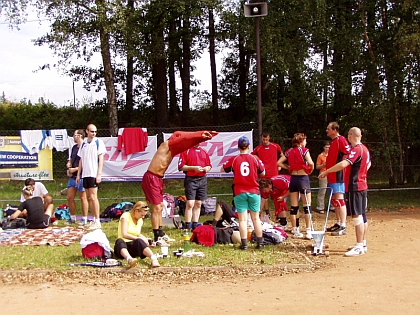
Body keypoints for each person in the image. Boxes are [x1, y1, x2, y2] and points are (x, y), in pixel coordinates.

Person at [142, 130, 218, 241]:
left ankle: (161, 232)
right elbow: (182, 136)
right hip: (151, 177)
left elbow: (187, 143)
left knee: (160, 207)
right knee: (157, 207)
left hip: (158, 179)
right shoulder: (165, 145)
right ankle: (156, 235)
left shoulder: (173, 151)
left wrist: (202, 137)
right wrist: (199, 134)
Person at [319, 127, 371, 256]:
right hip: (363, 184)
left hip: (355, 186)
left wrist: (327, 170)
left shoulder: (357, 149)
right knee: (362, 215)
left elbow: (343, 164)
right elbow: (368, 164)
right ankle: (362, 243)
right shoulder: (365, 149)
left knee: (357, 216)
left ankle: (359, 246)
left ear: (350, 136)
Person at [220, 135, 266, 250]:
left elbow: (223, 169)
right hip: (254, 191)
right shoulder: (255, 158)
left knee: (242, 219)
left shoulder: (235, 159)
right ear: (249, 146)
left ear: (238, 147)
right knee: (256, 218)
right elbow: (263, 172)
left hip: (239, 191)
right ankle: (260, 243)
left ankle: (244, 244)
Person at [277, 133, 314, 239]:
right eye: (305, 141)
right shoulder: (304, 150)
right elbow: (310, 163)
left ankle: (295, 229)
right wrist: (310, 170)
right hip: (303, 178)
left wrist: (289, 167)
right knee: (307, 206)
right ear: (301, 142)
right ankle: (308, 230)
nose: (306, 143)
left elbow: (278, 163)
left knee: (294, 207)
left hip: (293, 178)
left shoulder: (289, 151)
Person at [76, 124, 106, 230]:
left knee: (93, 197)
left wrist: (99, 174)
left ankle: (97, 220)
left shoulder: (98, 142)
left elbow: (101, 158)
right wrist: (78, 175)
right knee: (88, 197)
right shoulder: (84, 143)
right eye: (92, 131)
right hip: (85, 174)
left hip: (94, 174)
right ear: (87, 131)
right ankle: (93, 219)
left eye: (95, 132)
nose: (94, 134)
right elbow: (81, 160)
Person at [114, 201, 160, 268]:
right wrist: (139, 238)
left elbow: (137, 234)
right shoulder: (126, 216)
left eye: (144, 215)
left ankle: (153, 259)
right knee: (120, 241)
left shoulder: (140, 220)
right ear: (136, 211)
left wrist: (146, 240)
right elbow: (124, 234)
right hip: (122, 247)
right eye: (142, 215)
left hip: (133, 247)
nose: (143, 217)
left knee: (139, 241)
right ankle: (129, 259)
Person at [325, 122, 351, 236]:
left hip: (338, 175)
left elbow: (348, 153)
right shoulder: (334, 141)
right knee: (334, 199)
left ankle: (343, 225)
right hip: (331, 175)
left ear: (334, 130)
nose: (327, 131)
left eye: (328, 129)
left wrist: (341, 167)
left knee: (339, 199)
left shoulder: (341, 140)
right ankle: (339, 222)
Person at [178, 145, 212, 231]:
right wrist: (193, 168)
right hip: (191, 179)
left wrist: (207, 168)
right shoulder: (187, 150)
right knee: (190, 203)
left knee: (198, 203)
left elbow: (209, 165)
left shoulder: (204, 151)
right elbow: (181, 166)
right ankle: (187, 225)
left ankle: (195, 225)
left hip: (202, 179)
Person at [252, 131, 284, 216]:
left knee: (276, 195)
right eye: (263, 139)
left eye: (266, 139)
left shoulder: (275, 146)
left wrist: (279, 164)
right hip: (264, 175)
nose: (265, 141)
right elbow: (252, 156)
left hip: (274, 175)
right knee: (264, 194)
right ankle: (266, 213)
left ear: (269, 138)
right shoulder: (258, 148)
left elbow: (282, 155)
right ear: (261, 138)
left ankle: (279, 214)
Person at [66, 129, 89, 224]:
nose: (73, 137)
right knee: (69, 197)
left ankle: (84, 218)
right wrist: (69, 163)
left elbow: (85, 162)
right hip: (73, 177)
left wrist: (75, 169)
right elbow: (71, 158)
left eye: (74, 135)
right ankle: (72, 218)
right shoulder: (74, 147)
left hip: (82, 176)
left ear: (79, 136)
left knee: (83, 198)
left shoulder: (85, 147)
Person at [315, 141, 331, 214]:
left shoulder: (332, 155)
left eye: (329, 147)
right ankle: (320, 207)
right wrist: (324, 164)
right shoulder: (320, 156)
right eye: (326, 147)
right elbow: (317, 167)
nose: (327, 149)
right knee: (322, 190)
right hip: (323, 173)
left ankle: (332, 206)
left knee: (332, 191)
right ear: (323, 148)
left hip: (331, 173)